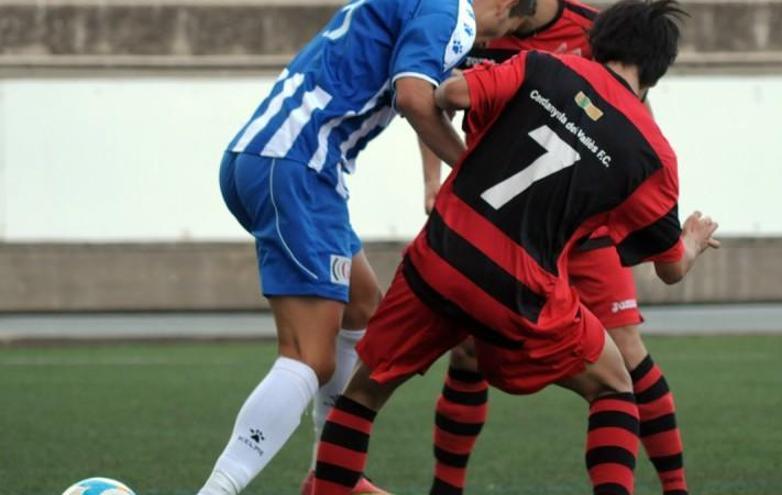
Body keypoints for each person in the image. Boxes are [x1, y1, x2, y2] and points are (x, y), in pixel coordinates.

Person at [312, 1, 717, 494]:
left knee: (360, 399)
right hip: (521, 284)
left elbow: (451, 92)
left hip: (441, 253)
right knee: (614, 387)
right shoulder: (654, 154)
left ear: (599, 41)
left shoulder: (538, 66)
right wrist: (692, 242)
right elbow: (671, 267)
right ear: (655, 73)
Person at [195, 0, 537, 493]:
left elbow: (424, 92)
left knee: (362, 309)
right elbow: (415, 99)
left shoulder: (423, 7)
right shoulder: (454, 14)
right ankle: (219, 490)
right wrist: (475, 177)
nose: (487, 41)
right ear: (504, 4)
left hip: (274, 159)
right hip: (298, 166)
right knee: (309, 357)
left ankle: (331, 477)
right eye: (508, 26)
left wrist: (434, 178)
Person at [417, 1, 693, 494]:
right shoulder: (474, 23)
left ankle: (676, 487)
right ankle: (446, 488)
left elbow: (632, 115)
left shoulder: (595, 31)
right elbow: (434, 93)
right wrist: (437, 178)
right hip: (499, 224)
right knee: (466, 354)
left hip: (582, 228)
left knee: (628, 354)